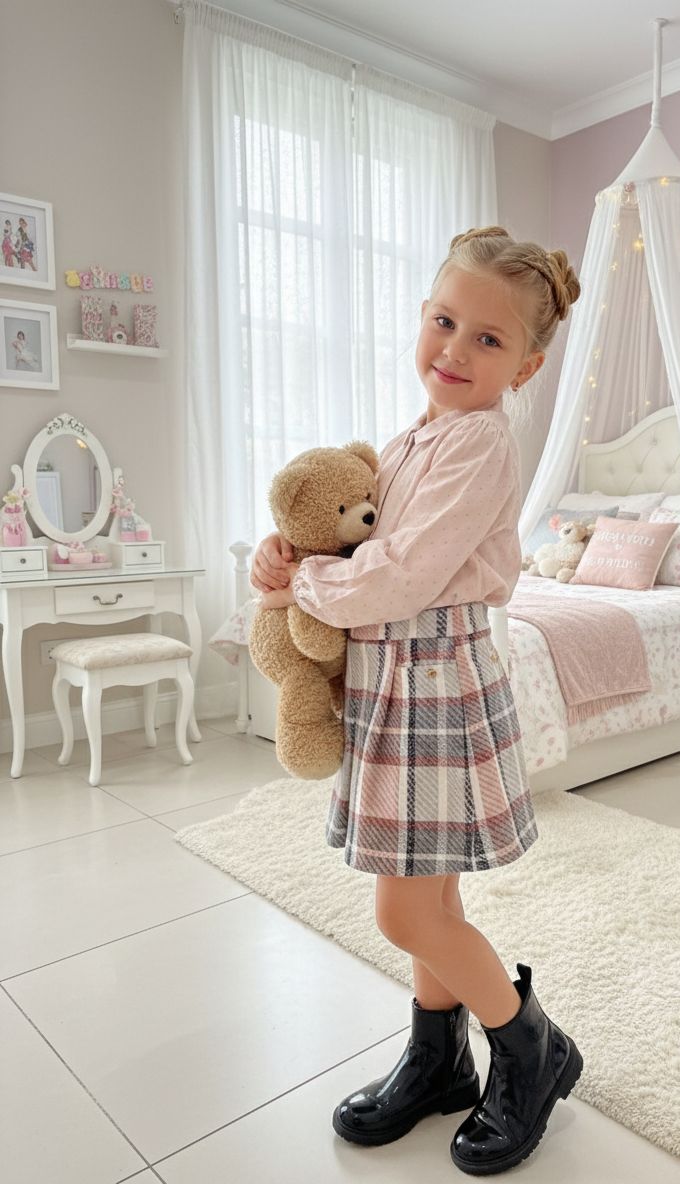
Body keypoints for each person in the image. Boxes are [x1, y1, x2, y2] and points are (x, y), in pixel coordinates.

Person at [251, 226, 583, 1175]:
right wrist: (293, 555)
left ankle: (532, 1046)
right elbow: (360, 541)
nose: (455, 349)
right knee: (429, 887)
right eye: (444, 321)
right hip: (396, 676)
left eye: (489, 338)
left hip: (433, 677)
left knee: (404, 912)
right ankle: (438, 1060)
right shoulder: (411, 439)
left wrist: (303, 587)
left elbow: (401, 575)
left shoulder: (478, 443)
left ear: (526, 366)